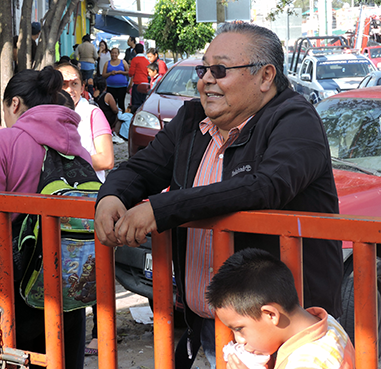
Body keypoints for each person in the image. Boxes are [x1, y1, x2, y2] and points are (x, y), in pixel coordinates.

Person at [93, 21, 343, 368]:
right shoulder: (191, 119)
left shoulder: (295, 118)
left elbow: (264, 185)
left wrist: (160, 209)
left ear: (265, 76)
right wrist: (111, 197)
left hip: (279, 333)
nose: (206, 80)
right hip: (211, 324)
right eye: (204, 69)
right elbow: (141, 168)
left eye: (220, 70)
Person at [0, 67, 89, 369]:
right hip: (70, 280)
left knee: (4, 360)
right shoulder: (76, 146)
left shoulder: (5, 142)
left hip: (8, 282)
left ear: (14, 104)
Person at [206, 248, 355, 369]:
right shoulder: (326, 322)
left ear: (271, 314)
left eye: (239, 329)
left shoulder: (307, 363)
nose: (238, 340)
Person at [56, 62, 114, 182]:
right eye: (63, 84)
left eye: (74, 84)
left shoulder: (92, 113)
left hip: (87, 189)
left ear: (82, 87)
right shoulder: (45, 115)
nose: (69, 90)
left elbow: (106, 160)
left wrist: (64, 164)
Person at [102, 47, 129, 112]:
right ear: (110, 54)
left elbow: (128, 71)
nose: (114, 54)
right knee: (111, 104)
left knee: (121, 103)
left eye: (115, 53)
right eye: (112, 53)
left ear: (118, 54)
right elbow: (103, 75)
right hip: (110, 86)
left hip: (122, 86)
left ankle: (122, 117)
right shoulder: (107, 63)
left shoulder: (123, 62)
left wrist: (120, 72)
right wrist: (110, 73)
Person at [127, 43, 149, 111]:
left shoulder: (134, 60)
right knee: (143, 103)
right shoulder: (146, 61)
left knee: (135, 104)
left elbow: (131, 73)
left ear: (135, 51)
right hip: (145, 84)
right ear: (143, 51)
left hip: (137, 84)